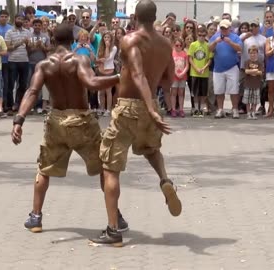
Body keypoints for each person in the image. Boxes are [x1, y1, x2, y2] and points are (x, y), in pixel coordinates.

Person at [10, 24, 128, 234]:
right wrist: (119, 77)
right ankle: (115, 215)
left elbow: (32, 91)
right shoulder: (79, 60)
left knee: (44, 169)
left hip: (57, 121)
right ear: (72, 41)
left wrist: (19, 120)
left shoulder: (45, 65)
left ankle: (35, 217)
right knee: (104, 168)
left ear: (52, 42)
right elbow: (92, 83)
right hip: (82, 121)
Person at [89, 0, 178, 247]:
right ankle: (165, 179)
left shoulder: (129, 40)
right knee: (151, 149)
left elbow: (137, 73)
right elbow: (170, 77)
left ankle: (113, 230)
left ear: (135, 17)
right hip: (151, 108)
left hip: (128, 106)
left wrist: (148, 104)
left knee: (110, 166)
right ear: (155, 16)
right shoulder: (166, 43)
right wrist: (154, 107)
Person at [244, 45, 264, 120]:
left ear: (257, 54)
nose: (253, 55)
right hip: (248, 84)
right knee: (247, 100)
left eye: (254, 53)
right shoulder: (247, 62)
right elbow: (246, 71)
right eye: (251, 53)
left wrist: (251, 71)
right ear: (249, 54)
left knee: (255, 100)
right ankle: (248, 113)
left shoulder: (259, 63)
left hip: (256, 84)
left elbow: (261, 72)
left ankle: (253, 112)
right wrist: (255, 71)